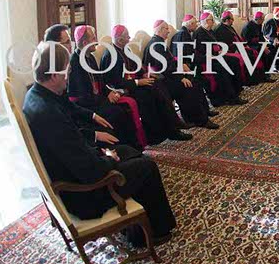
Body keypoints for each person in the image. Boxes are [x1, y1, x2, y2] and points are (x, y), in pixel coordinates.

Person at [24, 42, 176, 246]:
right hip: (84, 193)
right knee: (147, 167)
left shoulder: (38, 94)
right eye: (66, 72)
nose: (68, 77)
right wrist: (110, 159)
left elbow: (70, 124)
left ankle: (135, 226)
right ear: (53, 75)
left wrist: (96, 135)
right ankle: (152, 233)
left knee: (129, 150)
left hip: (76, 168)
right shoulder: (49, 114)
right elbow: (89, 170)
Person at [101, 25, 192, 143]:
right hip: (123, 89)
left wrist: (143, 74)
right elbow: (115, 82)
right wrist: (138, 82)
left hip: (132, 84)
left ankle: (170, 127)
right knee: (148, 96)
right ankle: (155, 135)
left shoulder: (125, 49)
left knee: (158, 85)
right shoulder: (110, 55)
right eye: (127, 36)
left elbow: (135, 65)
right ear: (119, 39)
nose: (129, 38)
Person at [67, 25, 142, 149]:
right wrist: (105, 98)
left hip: (96, 100)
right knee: (118, 112)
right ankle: (124, 148)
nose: (96, 41)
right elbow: (82, 96)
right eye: (93, 38)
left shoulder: (90, 57)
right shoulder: (75, 62)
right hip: (86, 106)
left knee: (122, 110)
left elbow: (100, 81)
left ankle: (132, 147)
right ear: (85, 43)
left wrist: (109, 93)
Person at [143, 20, 217, 129]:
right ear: (160, 30)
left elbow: (170, 61)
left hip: (168, 75)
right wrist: (180, 78)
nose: (169, 31)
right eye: (166, 29)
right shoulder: (157, 45)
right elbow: (165, 68)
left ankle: (203, 112)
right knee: (189, 86)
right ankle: (200, 120)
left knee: (196, 80)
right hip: (163, 80)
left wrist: (180, 64)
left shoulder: (158, 42)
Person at [193, 11, 246, 106]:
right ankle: (231, 97)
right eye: (211, 20)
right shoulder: (199, 33)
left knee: (234, 61)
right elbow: (201, 50)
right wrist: (216, 52)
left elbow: (216, 43)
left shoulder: (210, 31)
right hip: (208, 59)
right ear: (206, 21)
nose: (213, 22)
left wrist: (220, 50)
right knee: (224, 68)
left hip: (216, 56)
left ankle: (237, 89)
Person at [215, 10, 266, 85]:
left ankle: (259, 77)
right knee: (249, 56)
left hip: (238, 47)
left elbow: (238, 38)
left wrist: (243, 46)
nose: (233, 20)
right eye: (232, 19)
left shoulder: (230, 27)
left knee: (252, 53)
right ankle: (249, 80)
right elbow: (223, 44)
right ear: (227, 20)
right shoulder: (219, 29)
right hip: (231, 50)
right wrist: (236, 49)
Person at [241, 11, 275, 76]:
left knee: (272, 47)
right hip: (250, 45)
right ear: (258, 19)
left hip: (258, 44)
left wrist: (264, 45)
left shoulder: (259, 24)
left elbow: (261, 37)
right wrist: (262, 47)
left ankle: (268, 70)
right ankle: (263, 73)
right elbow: (247, 40)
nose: (263, 21)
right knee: (263, 52)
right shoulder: (248, 26)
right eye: (262, 19)